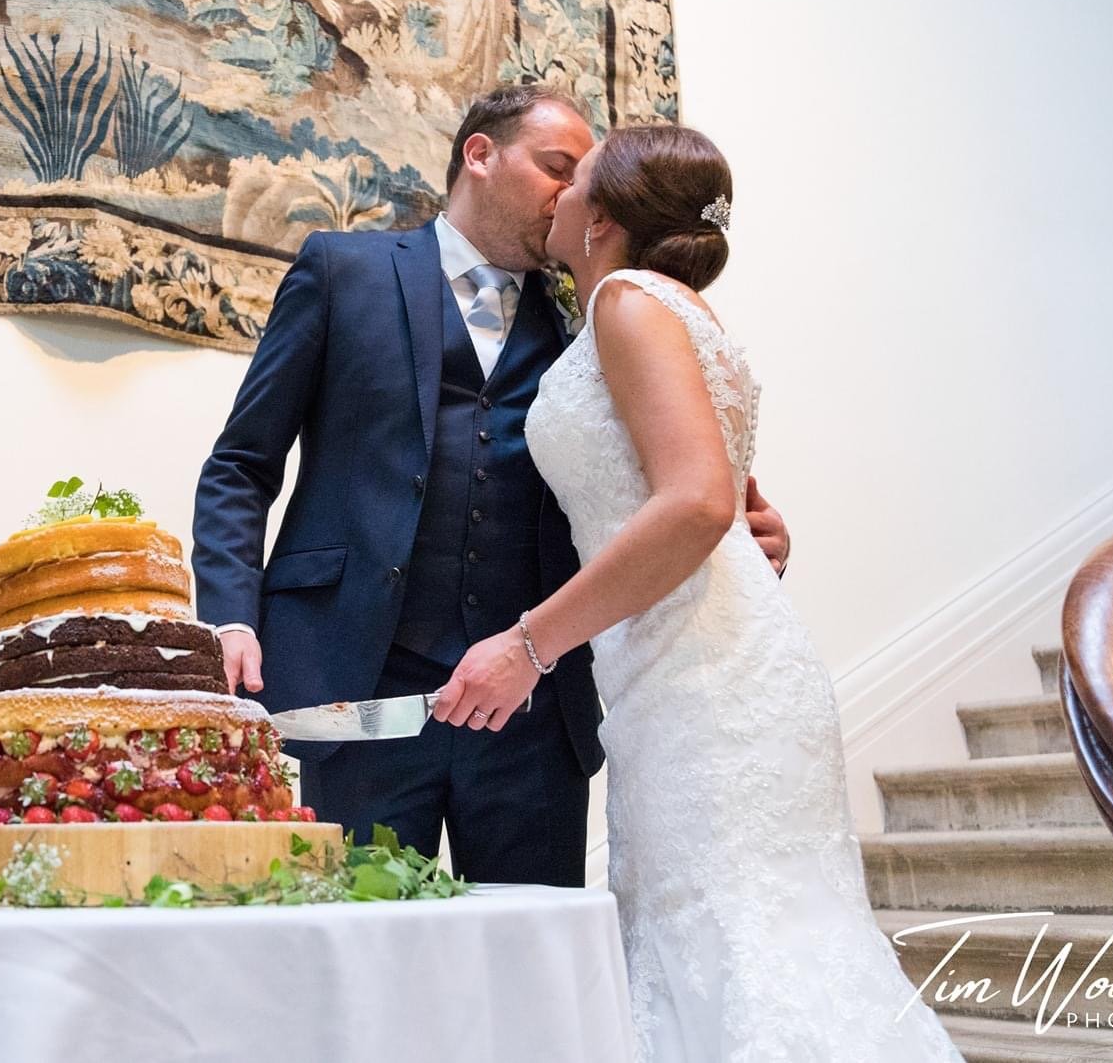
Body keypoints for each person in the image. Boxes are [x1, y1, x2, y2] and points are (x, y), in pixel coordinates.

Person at [429, 124, 963, 1059]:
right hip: (681, 671)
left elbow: (698, 502)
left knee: (744, 953)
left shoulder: (632, 303)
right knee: (719, 947)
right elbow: (707, 495)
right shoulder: (670, 312)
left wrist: (529, 643)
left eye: (575, 175)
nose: (556, 193)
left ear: (600, 217)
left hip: (708, 682)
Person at [190, 87, 790, 885]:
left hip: (533, 713)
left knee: (529, 968)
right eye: (557, 167)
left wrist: (745, 544)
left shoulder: (596, 315)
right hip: (357, 686)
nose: (578, 192)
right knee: (356, 958)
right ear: (480, 154)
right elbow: (242, 462)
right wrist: (230, 614)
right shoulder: (341, 270)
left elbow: (667, 477)